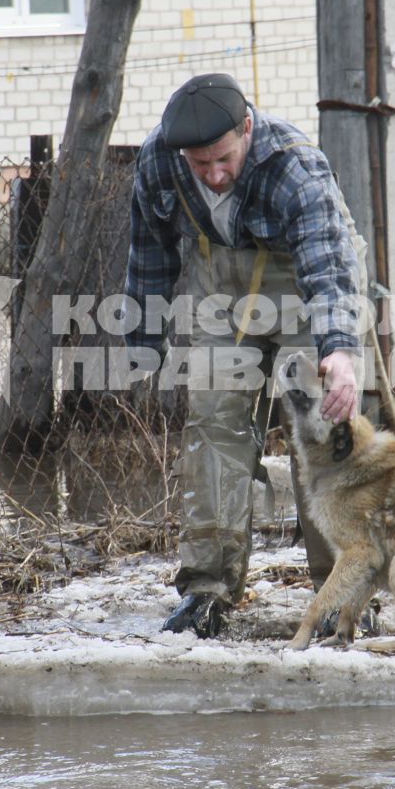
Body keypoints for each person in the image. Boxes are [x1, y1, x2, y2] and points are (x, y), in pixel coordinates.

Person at [125, 72, 367, 638]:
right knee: (214, 425)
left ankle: (341, 592)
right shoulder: (160, 160)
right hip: (220, 285)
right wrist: (143, 342)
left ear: (248, 130)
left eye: (224, 159)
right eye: (199, 163)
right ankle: (208, 590)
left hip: (301, 284)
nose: (212, 174)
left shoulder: (293, 165)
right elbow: (149, 250)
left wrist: (340, 354)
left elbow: (328, 270)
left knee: (322, 429)